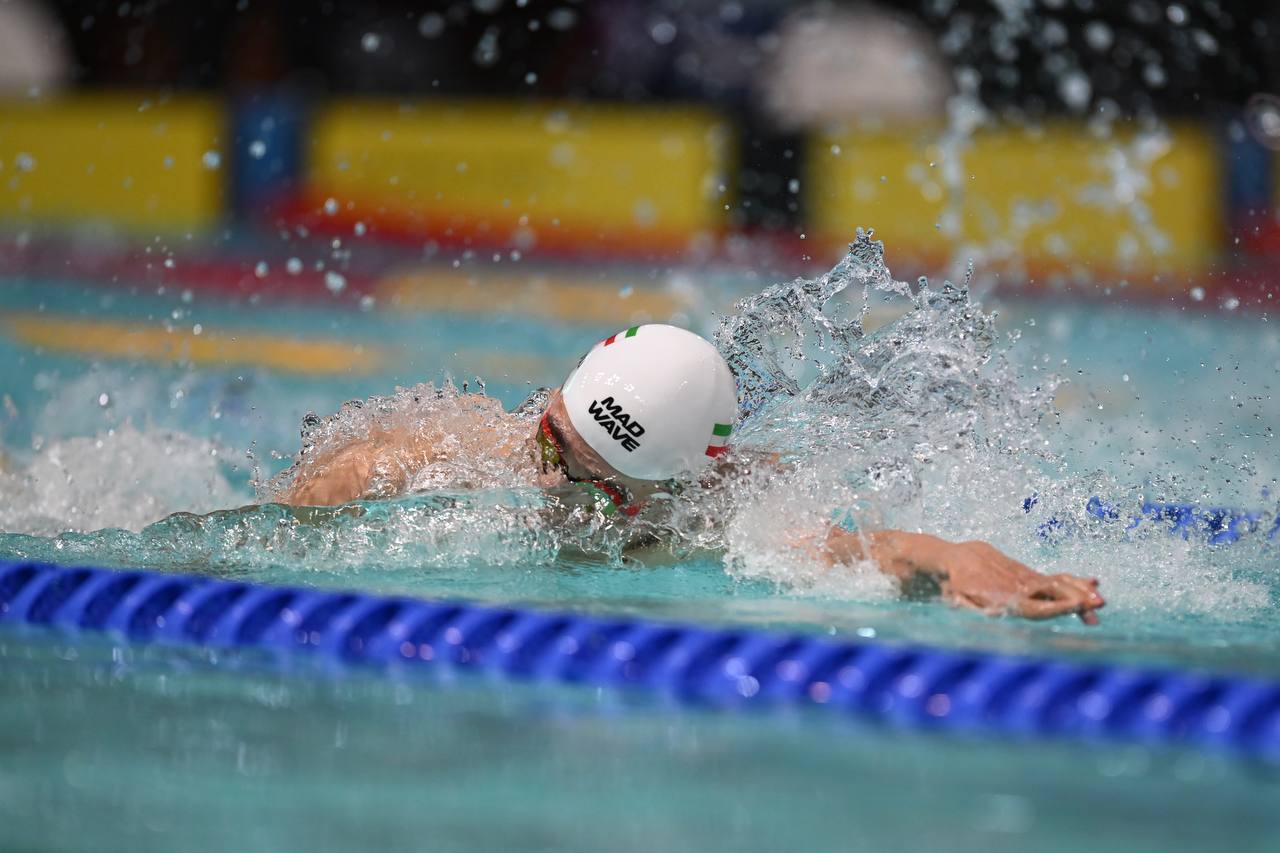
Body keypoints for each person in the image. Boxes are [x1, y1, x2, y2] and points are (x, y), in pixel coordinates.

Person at [281, 324, 1105, 624]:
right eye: (549, 444)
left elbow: (860, 549)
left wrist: (953, 557)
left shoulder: (716, 511)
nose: (550, 481)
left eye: (595, 482)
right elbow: (306, 500)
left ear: (670, 488)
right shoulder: (453, 455)